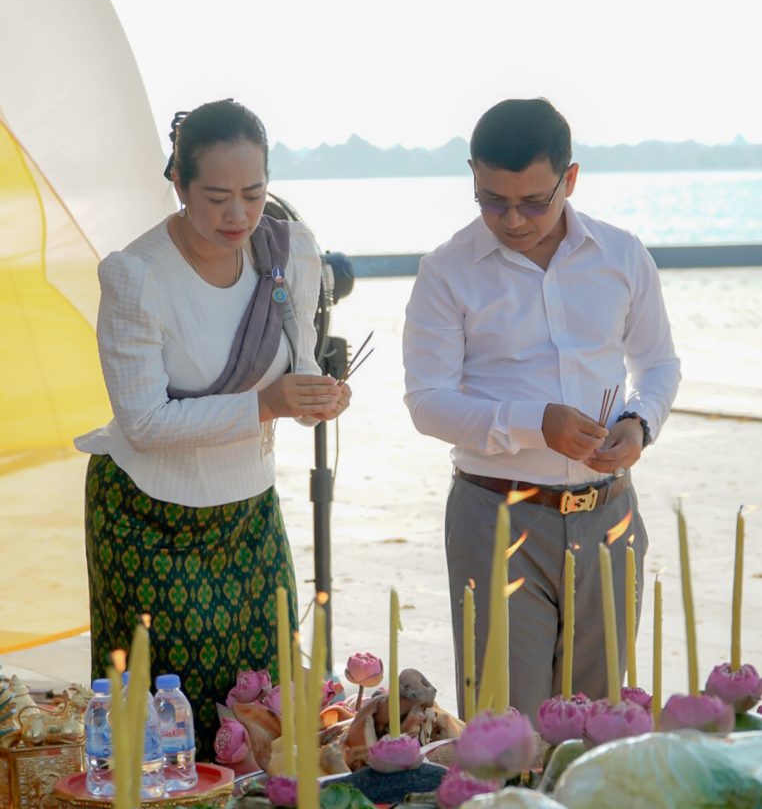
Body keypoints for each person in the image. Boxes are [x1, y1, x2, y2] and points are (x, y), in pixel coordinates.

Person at [75, 99, 350, 757]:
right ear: (178, 182)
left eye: (254, 194)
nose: (239, 216)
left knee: (266, 705)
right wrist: (267, 404)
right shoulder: (136, 274)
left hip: (247, 511)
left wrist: (317, 395)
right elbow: (144, 422)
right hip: (149, 517)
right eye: (218, 197)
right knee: (171, 721)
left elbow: (297, 368)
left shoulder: (288, 251)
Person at [403, 98, 680, 722]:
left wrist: (640, 423)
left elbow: (658, 363)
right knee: (507, 733)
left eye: (532, 202)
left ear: (570, 179)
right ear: (472, 176)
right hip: (496, 516)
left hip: (610, 514)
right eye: (492, 200)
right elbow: (427, 403)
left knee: (597, 729)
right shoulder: (445, 272)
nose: (513, 219)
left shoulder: (622, 254)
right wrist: (536, 423)